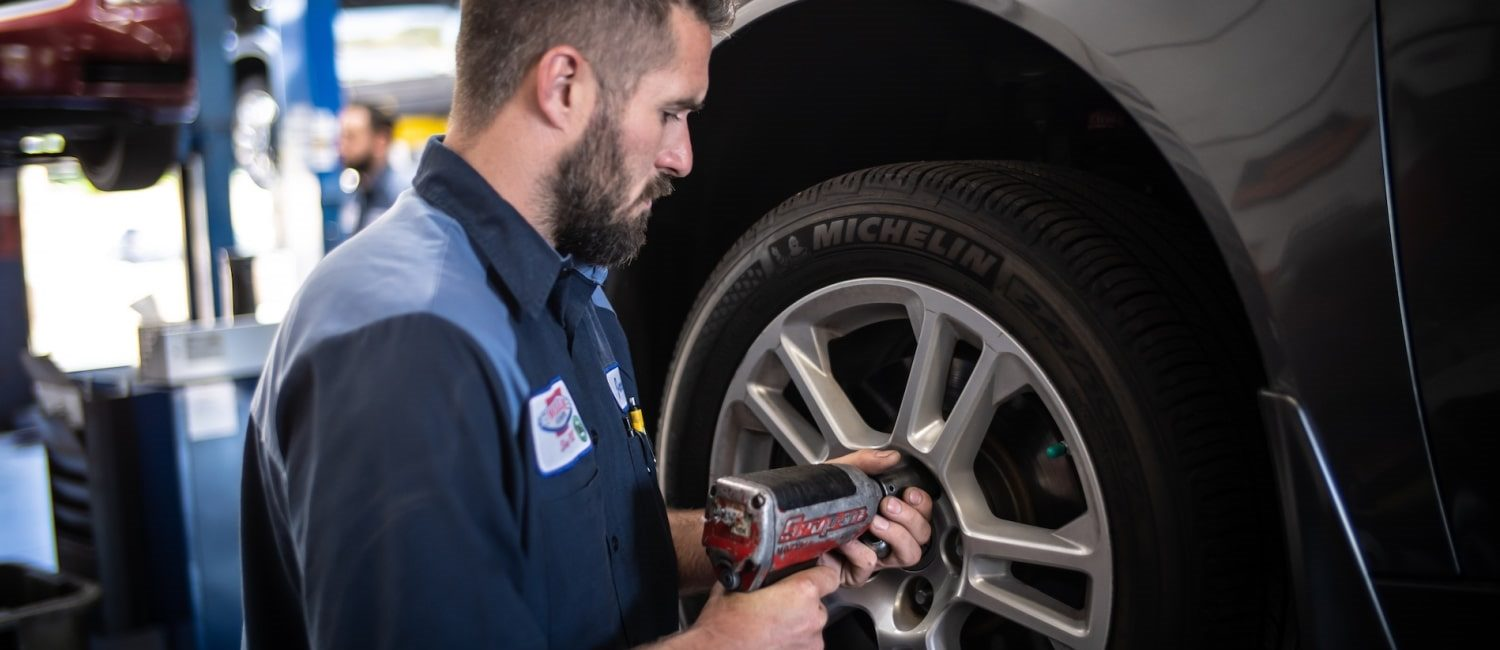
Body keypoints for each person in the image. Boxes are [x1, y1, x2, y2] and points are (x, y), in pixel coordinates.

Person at [239, 1, 934, 648]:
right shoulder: (407, 342)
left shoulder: (576, 295)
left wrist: (793, 527)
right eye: (670, 112)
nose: (682, 157)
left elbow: (596, 549)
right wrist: (716, 645)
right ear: (564, 86)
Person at [336, 101, 408, 236]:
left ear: (381, 141)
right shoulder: (354, 194)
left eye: (351, 137)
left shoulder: (403, 196)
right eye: (341, 137)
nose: (342, 146)